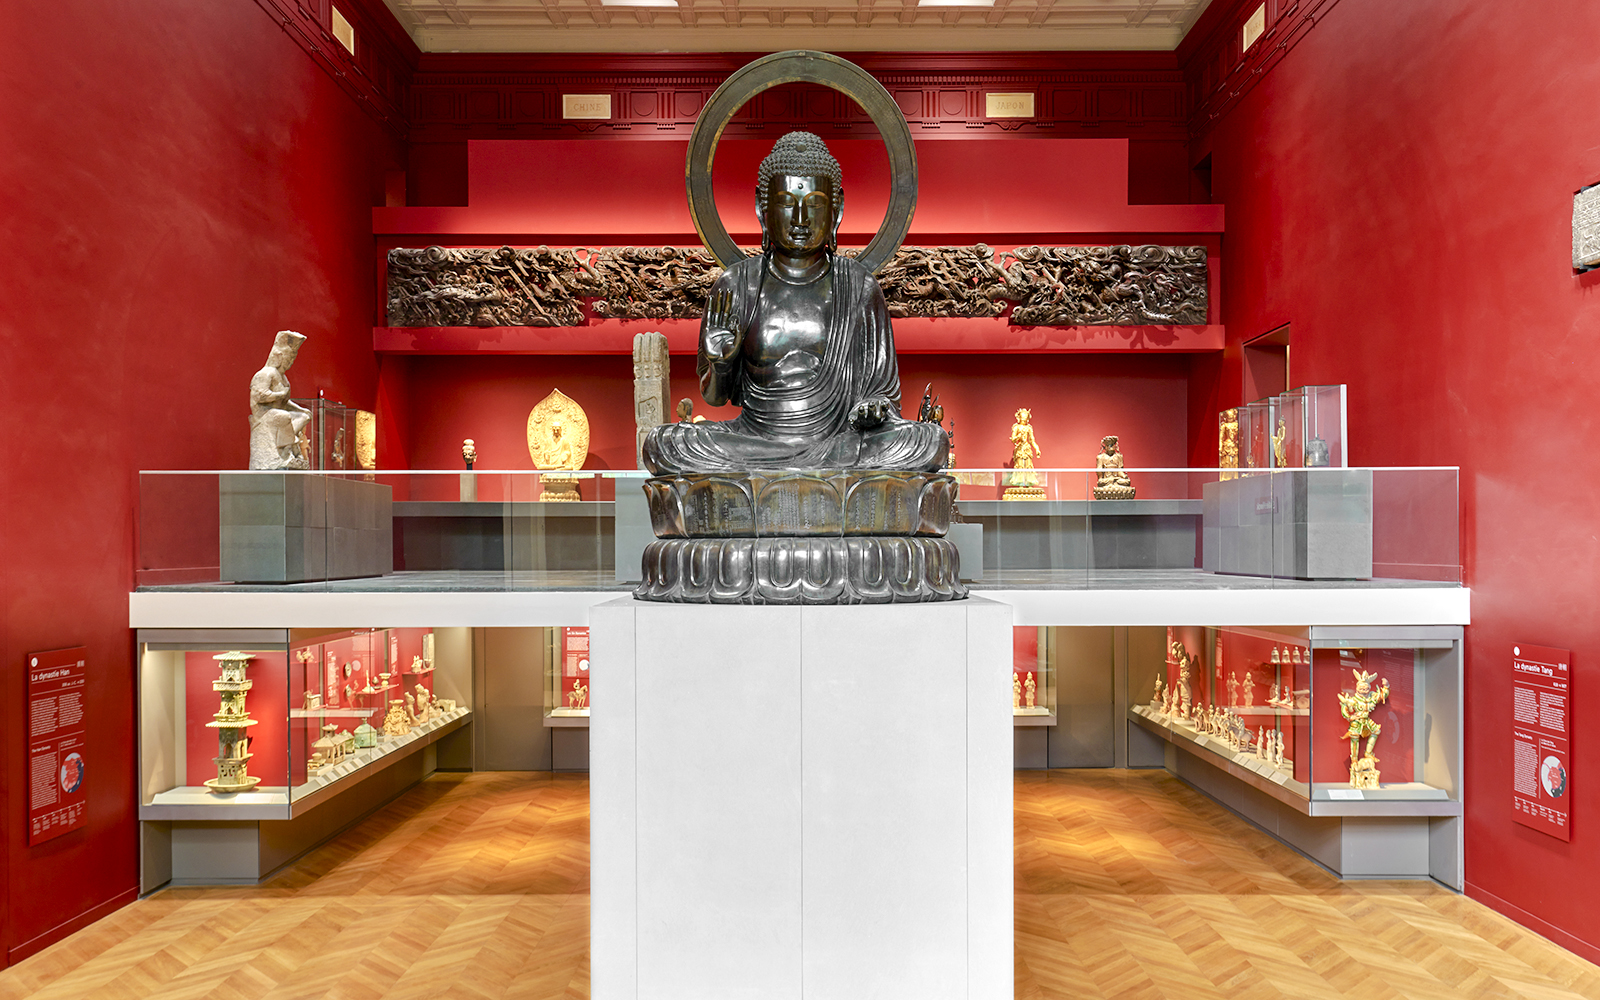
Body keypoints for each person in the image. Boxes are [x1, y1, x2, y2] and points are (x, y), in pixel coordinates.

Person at [642, 131, 946, 474]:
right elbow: (714, 398)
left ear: (837, 210)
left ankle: (792, 478)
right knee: (663, 445)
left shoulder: (859, 286)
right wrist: (722, 364)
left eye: (815, 204)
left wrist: (873, 408)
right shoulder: (737, 285)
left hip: (839, 441)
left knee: (929, 442)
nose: (801, 218)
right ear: (762, 207)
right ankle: (814, 479)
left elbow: (884, 396)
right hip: (756, 440)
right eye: (787, 202)